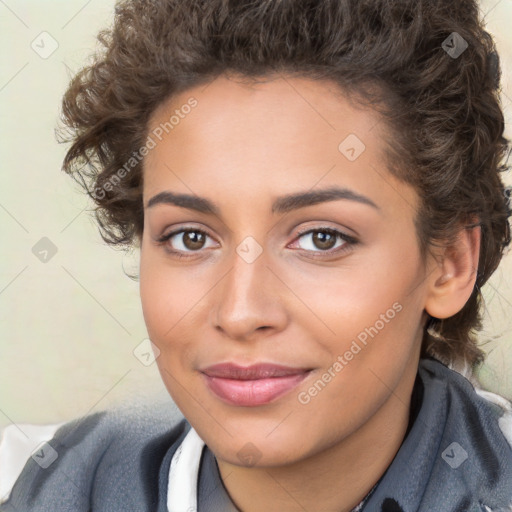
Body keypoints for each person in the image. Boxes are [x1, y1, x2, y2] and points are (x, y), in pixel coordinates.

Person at [1, 0, 512, 510]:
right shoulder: (37, 484)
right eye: (190, 238)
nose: (240, 312)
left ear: (450, 263)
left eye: (321, 238)